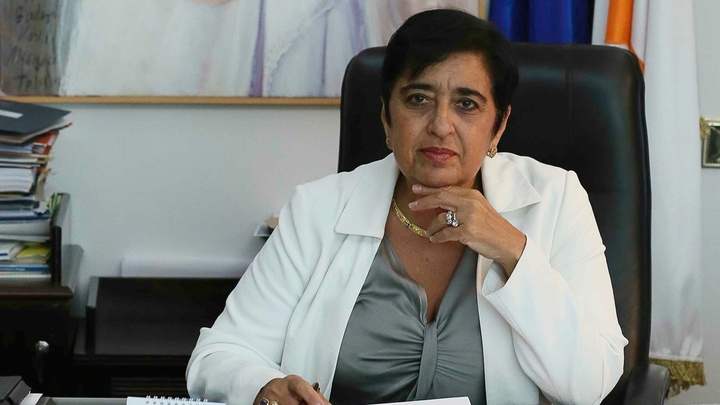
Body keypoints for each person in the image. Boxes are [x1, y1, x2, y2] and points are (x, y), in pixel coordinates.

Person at [186, 8, 627, 405]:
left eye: (467, 105)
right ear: (386, 117)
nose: (440, 125)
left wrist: (514, 251)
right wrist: (264, 388)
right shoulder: (316, 210)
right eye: (418, 99)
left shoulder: (556, 201)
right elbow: (219, 354)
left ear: (498, 127)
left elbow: (590, 385)